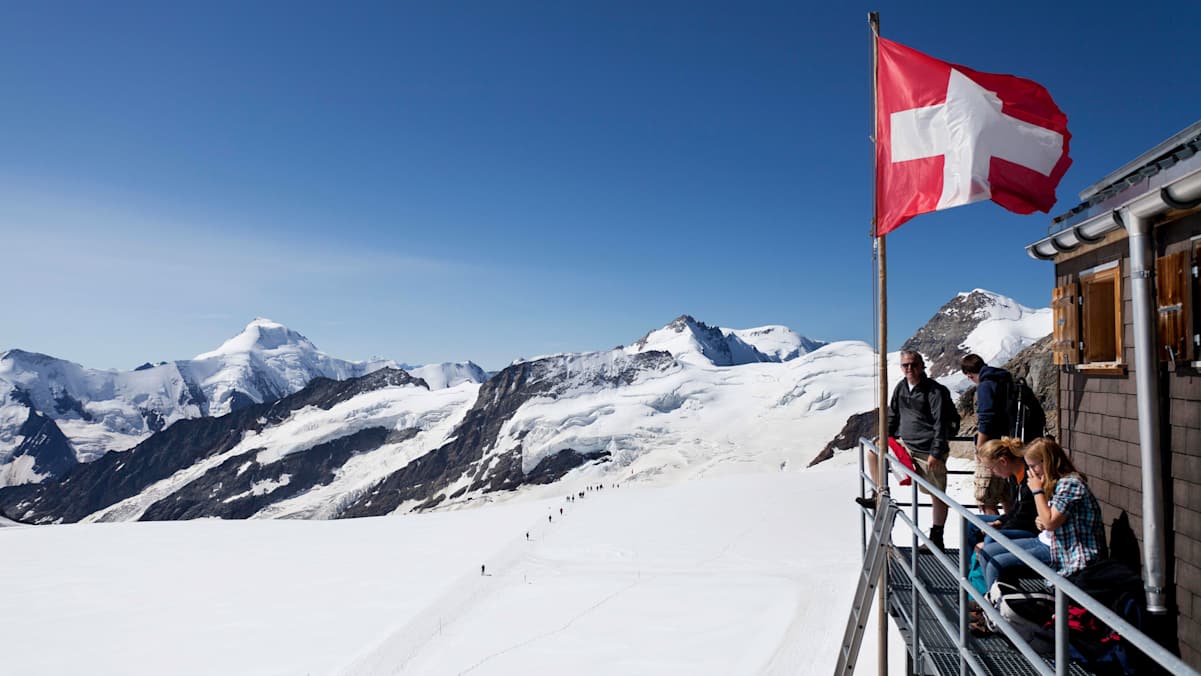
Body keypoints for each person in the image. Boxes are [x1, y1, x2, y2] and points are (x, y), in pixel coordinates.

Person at [857, 350, 952, 552]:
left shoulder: (935, 391)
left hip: (927, 450)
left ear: (922, 365)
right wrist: (886, 437)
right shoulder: (902, 387)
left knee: (937, 494)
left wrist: (936, 452)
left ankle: (937, 537)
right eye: (905, 365)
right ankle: (879, 494)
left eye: (913, 365)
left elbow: (941, 423)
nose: (909, 369)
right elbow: (893, 414)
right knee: (874, 451)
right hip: (906, 446)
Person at [1025, 436, 1107, 578]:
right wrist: (1041, 520)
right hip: (1059, 548)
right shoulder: (1055, 483)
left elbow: (1050, 522)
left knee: (997, 561)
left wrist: (1037, 491)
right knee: (990, 552)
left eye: (1033, 466)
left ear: (1047, 461)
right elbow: (1049, 519)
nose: (1031, 472)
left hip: (1075, 556)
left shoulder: (1070, 483)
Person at [972, 438, 1043, 591]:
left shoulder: (1029, 478)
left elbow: (1025, 515)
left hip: (1030, 528)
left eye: (992, 468)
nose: (992, 473)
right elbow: (1017, 509)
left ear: (1003, 461)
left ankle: (988, 593)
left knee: (991, 538)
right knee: (972, 522)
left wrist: (1001, 526)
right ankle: (972, 581)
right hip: (1020, 522)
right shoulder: (1014, 476)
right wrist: (1000, 521)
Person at [961, 354, 1013, 515]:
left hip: (991, 448)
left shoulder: (985, 386)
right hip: (1008, 444)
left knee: (985, 498)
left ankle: (995, 537)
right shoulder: (1003, 380)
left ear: (969, 374)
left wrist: (979, 449)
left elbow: (986, 420)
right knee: (1006, 495)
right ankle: (1012, 532)